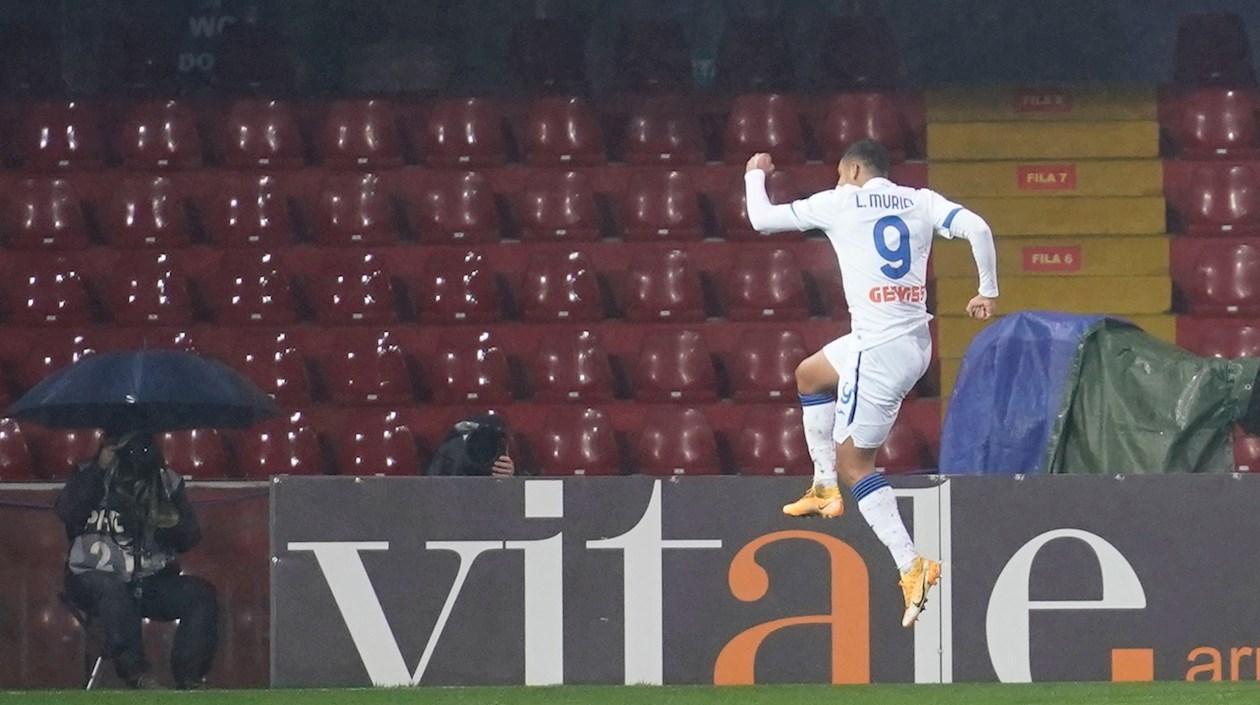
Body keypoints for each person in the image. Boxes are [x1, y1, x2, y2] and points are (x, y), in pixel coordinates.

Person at [744, 139, 999, 628]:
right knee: (810, 374)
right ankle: (823, 486)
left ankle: (911, 565)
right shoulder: (921, 200)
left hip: (878, 352)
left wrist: (755, 173)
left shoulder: (841, 202)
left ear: (854, 170)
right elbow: (979, 228)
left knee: (855, 464)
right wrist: (987, 290)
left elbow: (761, 218)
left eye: (841, 173)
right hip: (911, 341)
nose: (840, 181)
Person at [54, 432, 218, 689]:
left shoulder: (167, 482)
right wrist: (99, 470)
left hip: (151, 580)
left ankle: (190, 676)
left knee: (200, 595)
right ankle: (137, 673)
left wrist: (160, 522)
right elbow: (67, 512)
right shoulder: (87, 474)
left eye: (142, 447)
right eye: (125, 447)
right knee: (112, 589)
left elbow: (189, 537)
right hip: (91, 576)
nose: (134, 455)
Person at [425, 413, 518, 477]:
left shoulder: (500, 447)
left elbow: (520, 491)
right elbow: (432, 484)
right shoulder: (453, 447)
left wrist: (511, 479)